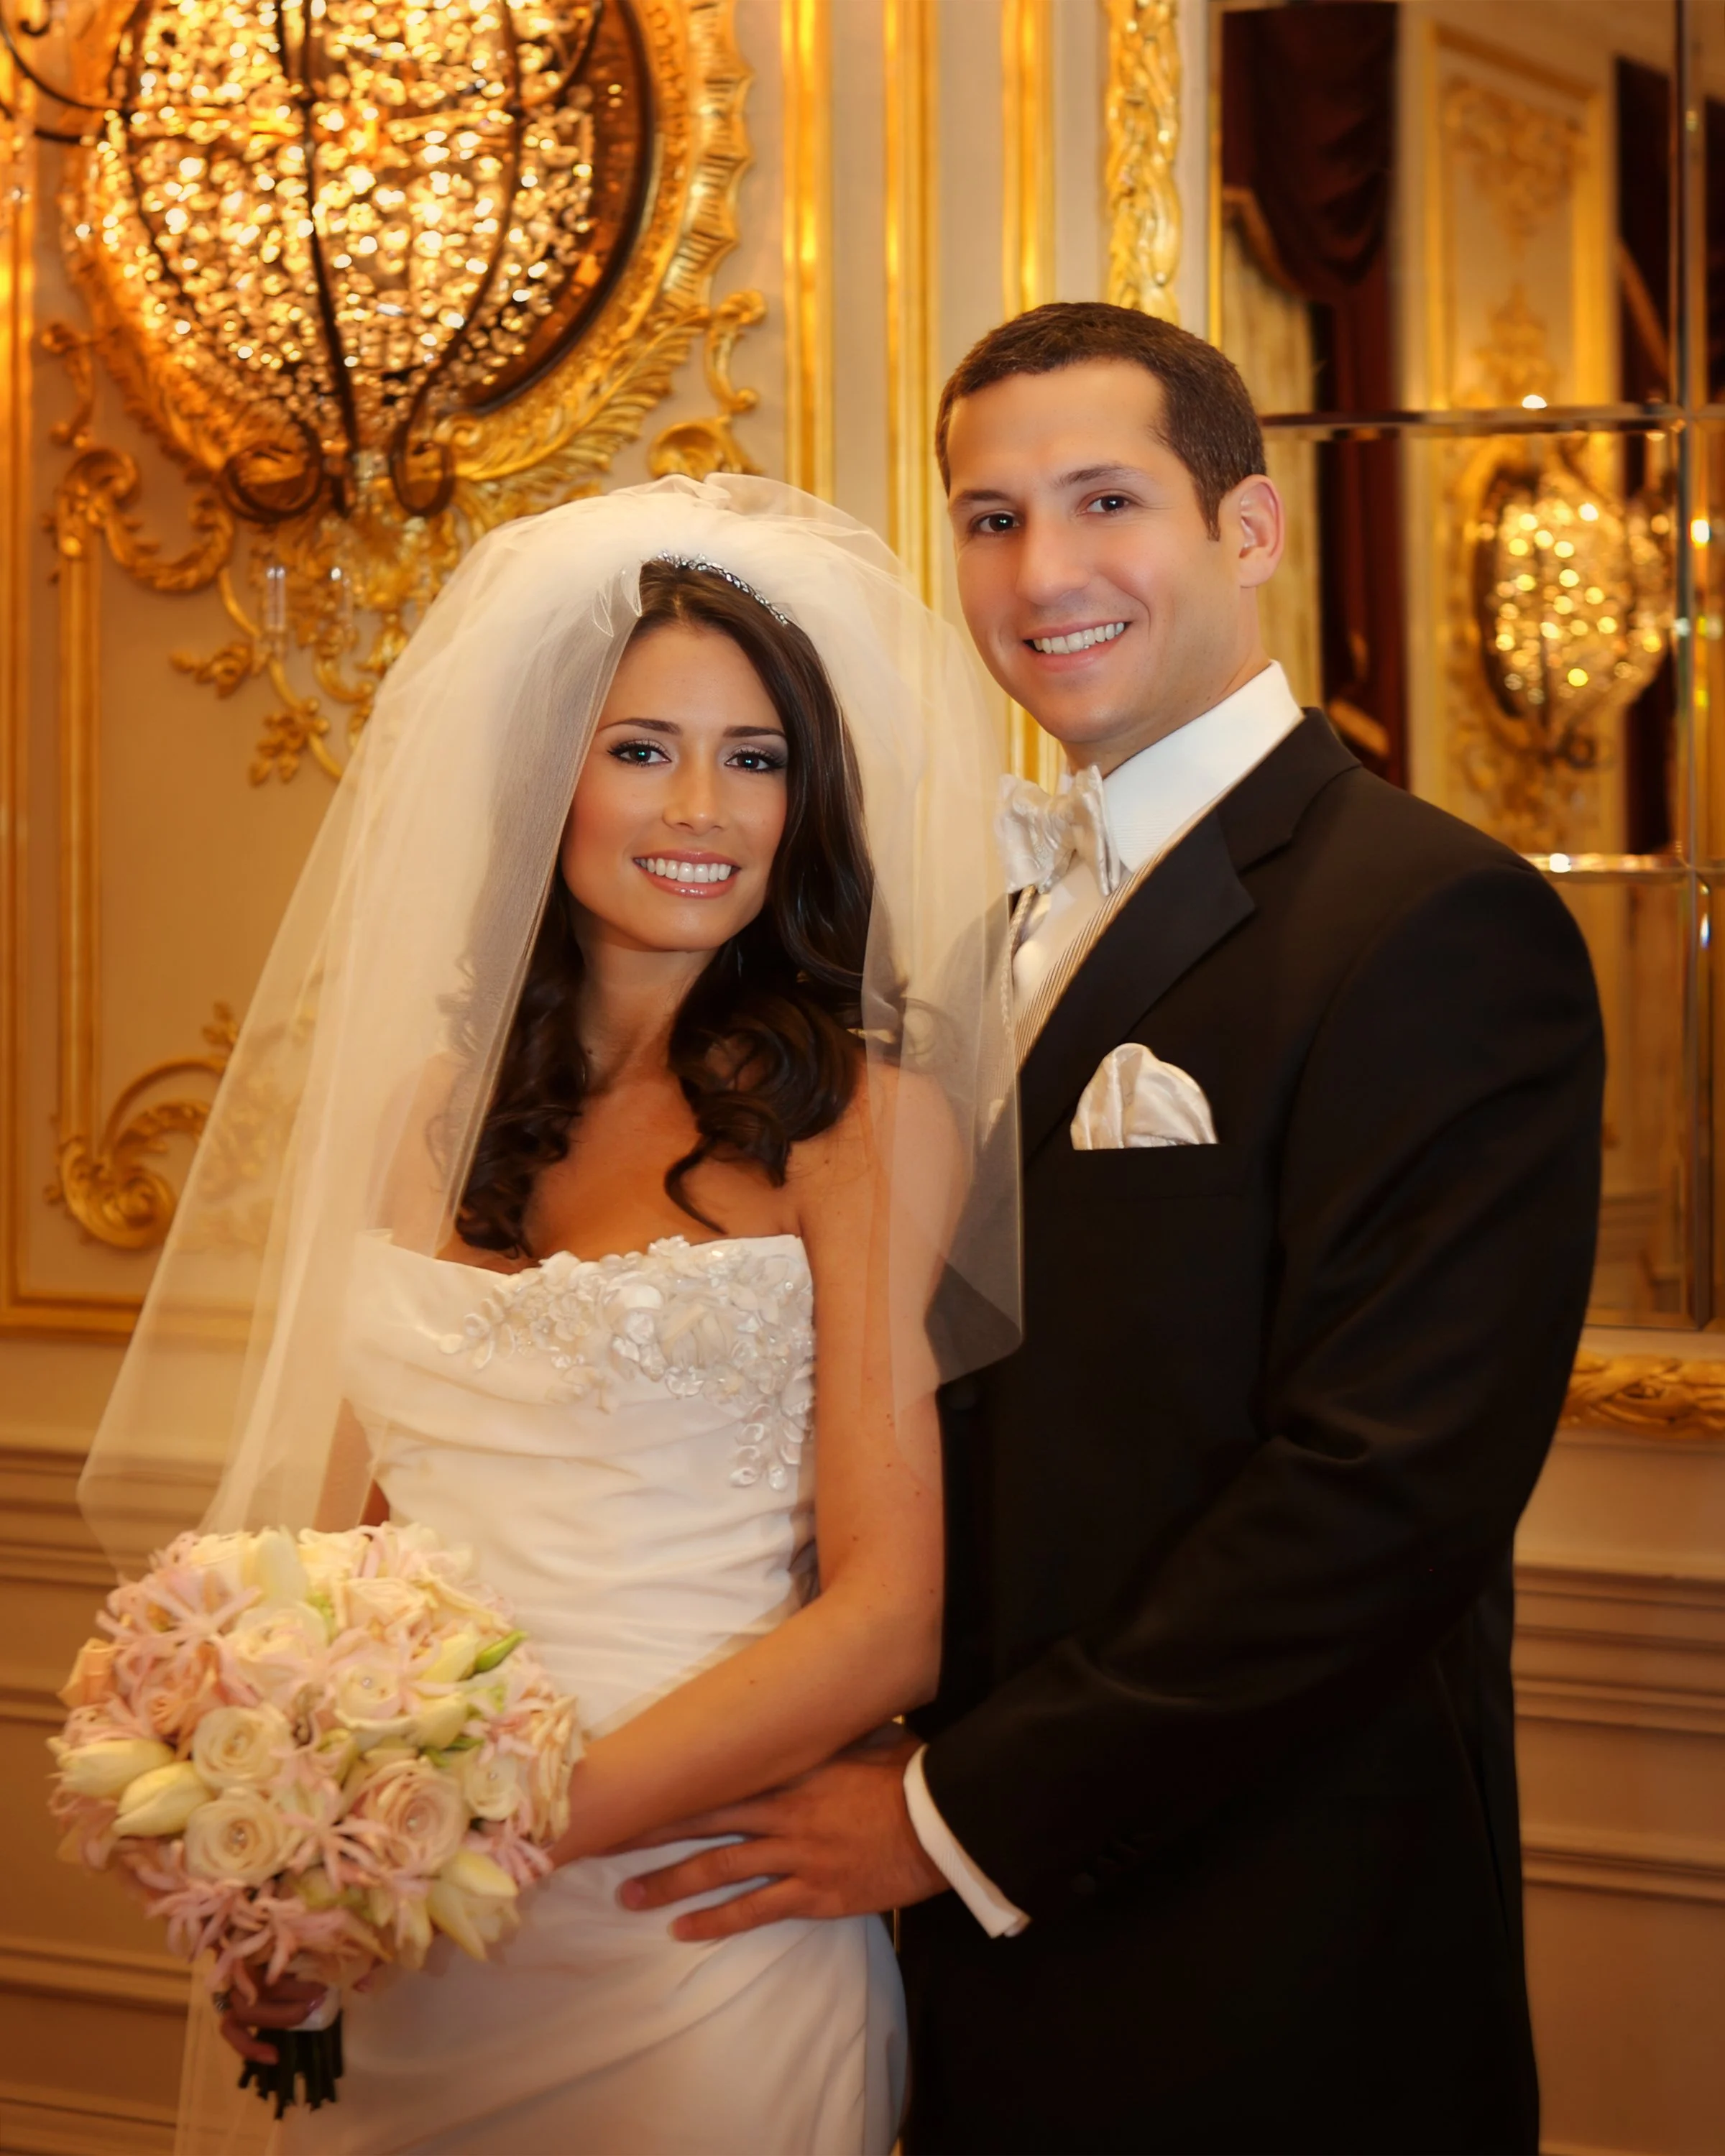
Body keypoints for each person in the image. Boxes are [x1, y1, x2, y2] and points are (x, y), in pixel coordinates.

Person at [621, 304, 1607, 2155]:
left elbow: (1378, 1499)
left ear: (1250, 530)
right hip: (943, 1960)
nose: (1043, 572)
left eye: (1103, 502)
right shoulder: (942, 922)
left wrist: (952, 1812)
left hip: (1262, 1952)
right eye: (989, 519)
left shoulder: (1433, 922)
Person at [77, 478, 1018, 2155]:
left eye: (758, 758)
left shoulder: (862, 1125)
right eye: (643, 747)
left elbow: (888, 1622)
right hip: (409, 1932)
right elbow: (360, 1546)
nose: (705, 807)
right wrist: (301, 1853)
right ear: (548, 782)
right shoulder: (430, 1114)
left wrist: (486, 1829)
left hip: (686, 1924)